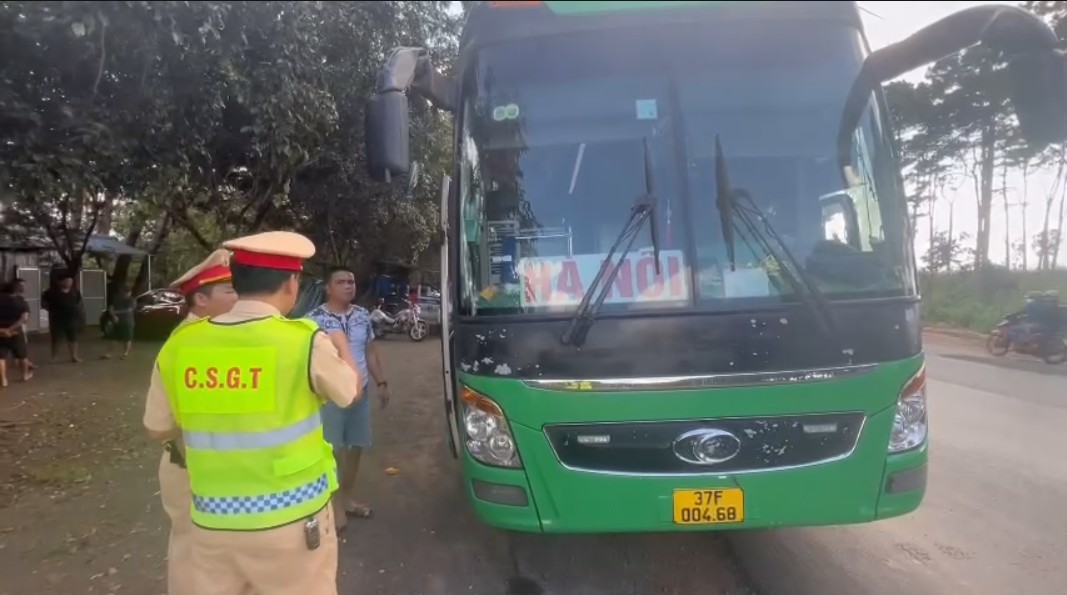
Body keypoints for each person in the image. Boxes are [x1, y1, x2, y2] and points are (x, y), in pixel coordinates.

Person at [144, 232, 362, 595]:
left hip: (211, 522)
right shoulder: (302, 341)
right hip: (292, 521)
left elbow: (157, 428)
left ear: (237, 282)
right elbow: (350, 393)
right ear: (291, 284)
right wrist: (341, 346)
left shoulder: (180, 345)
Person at [143, 249, 237, 595]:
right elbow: (158, 427)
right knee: (198, 553)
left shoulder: (213, 338)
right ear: (200, 298)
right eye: (229, 291)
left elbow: (157, 423)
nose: (239, 297)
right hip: (193, 467)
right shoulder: (190, 345)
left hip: (209, 466)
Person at [306, 267, 391, 532]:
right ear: (328, 288)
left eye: (351, 281)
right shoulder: (313, 320)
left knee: (355, 448)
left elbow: (369, 351)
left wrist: (381, 382)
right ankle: (331, 506)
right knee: (331, 451)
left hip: (360, 392)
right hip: (329, 396)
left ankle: (347, 498)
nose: (348, 286)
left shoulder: (363, 316)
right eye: (341, 282)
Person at [42, 274, 84, 363]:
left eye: (70, 281)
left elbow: (79, 303)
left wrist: (78, 313)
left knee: (73, 338)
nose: (69, 283)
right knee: (56, 338)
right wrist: (52, 310)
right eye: (67, 281)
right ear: (61, 282)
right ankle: (54, 357)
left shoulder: (75, 292)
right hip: (57, 319)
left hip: (71, 318)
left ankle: (74, 356)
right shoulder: (51, 292)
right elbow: (44, 303)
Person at [0, 282, 33, 387]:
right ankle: (24, 375)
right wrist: (10, 329)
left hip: (0, 333)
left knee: (1, 357)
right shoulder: (21, 301)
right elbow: (24, 318)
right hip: (16, 332)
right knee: (22, 356)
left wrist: (3, 330)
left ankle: (3, 380)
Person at [103, 286, 137, 360]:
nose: (125, 294)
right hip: (116, 321)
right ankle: (109, 353)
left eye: (127, 292)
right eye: (124, 292)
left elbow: (129, 310)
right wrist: (114, 316)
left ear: (129, 293)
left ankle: (125, 353)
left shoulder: (131, 300)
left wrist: (116, 312)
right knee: (111, 337)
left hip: (127, 321)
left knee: (127, 338)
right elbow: (111, 308)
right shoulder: (116, 299)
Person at [12, 279, 36, 372]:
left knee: (21, 345)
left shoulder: (20, 298)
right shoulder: (14, 298)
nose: (23, 287)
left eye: (24, 285)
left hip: (21, 324)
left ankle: (24, 363)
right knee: (19, 346)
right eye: (21, 285)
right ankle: (23, 365)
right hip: (16, 324)